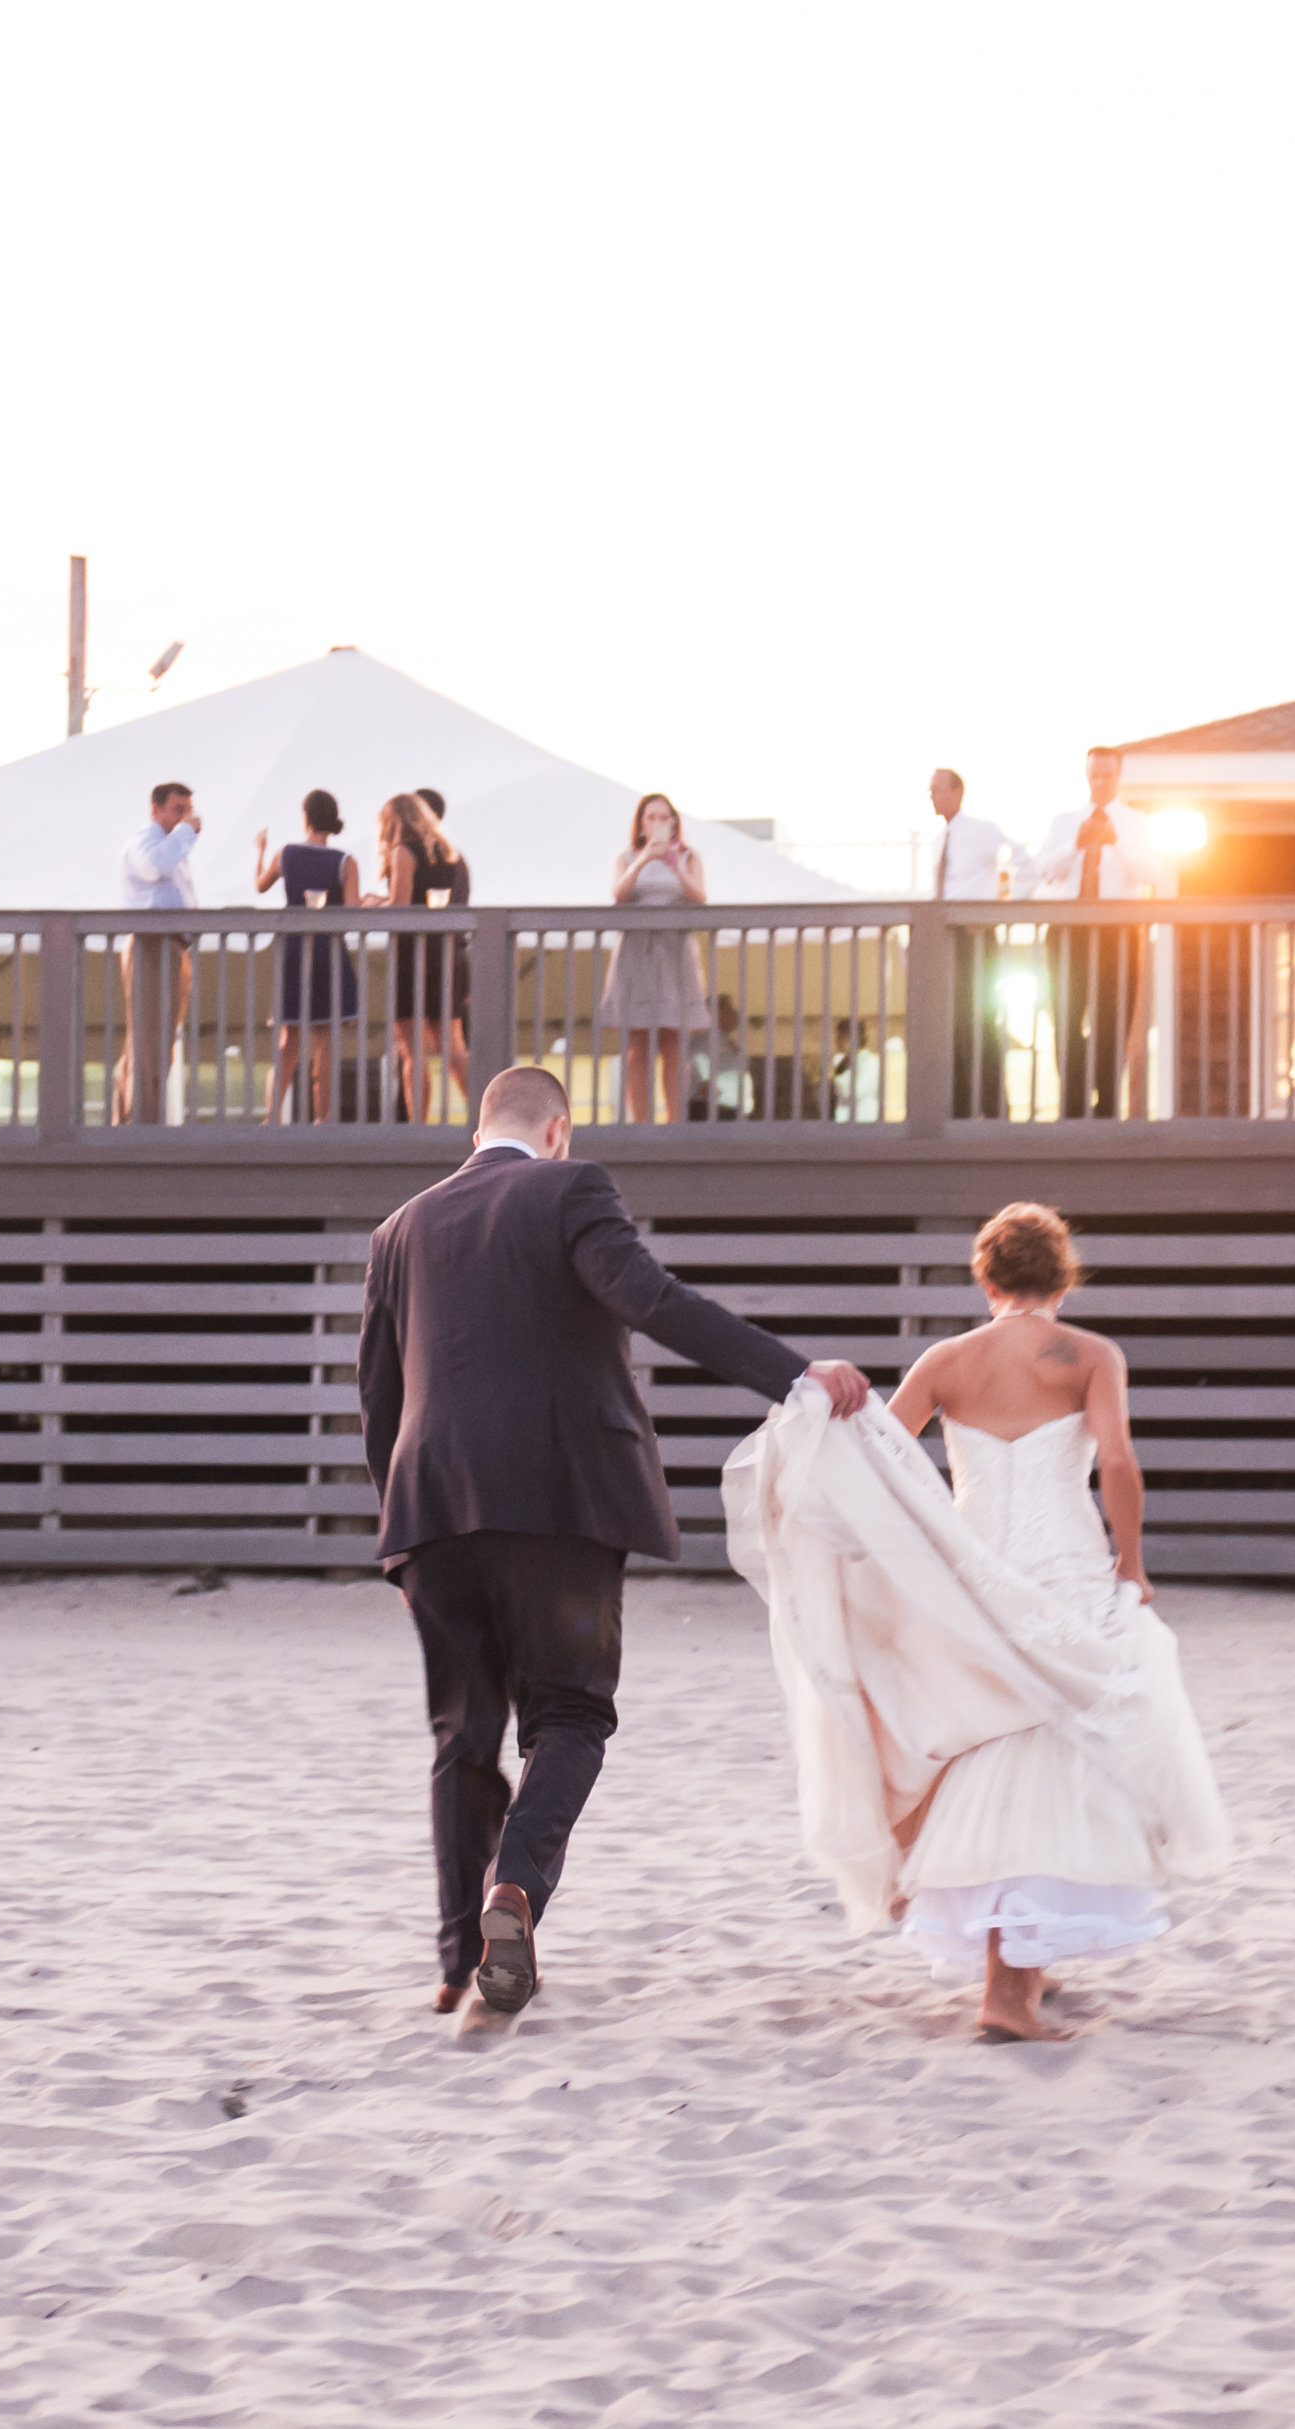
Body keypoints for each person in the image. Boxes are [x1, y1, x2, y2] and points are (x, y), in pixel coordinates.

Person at [359, 1063, 873, 2019]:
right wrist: (796, 1375)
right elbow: (653, 1300)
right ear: (559, 1129)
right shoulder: (571, 1187)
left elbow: (379, 1398)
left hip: (430, 1513)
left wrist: (398, 1541)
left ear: (480, 1130)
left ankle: (452, 1958)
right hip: (562, 1500)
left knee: (462, 1735)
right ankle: (512, 1892)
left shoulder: (399, 1229)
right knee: (571, 1715)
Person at [724, 1202, 1229, 2043]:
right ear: (1063, 1277)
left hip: (971, 1580)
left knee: (987, 1741)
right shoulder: (1090, 1356)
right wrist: (1131, 1562)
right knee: (1053, 1749)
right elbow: (1117, 1462)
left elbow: (880, 1460)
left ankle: (1025, 1955)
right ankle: (1008, 1988)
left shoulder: (947, 1359)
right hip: (1064, 1569)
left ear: (985, 1277)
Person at [1029, 747, 1141, 1119]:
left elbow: (1152, 873)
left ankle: (1106, 1107)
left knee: (1113, 1020)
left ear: (1118, 776)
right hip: (1068, 932)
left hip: (1117, 934)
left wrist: (1116, 842)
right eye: (1094, 775)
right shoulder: (1064, 822)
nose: (1099, 782)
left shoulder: (1136, 823)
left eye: (1107, 775)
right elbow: (1043, 870)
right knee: (1065, 1017)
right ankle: (1073, 1106)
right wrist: (1074, 846)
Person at [252, 790, 363, 1123]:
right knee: (326, 1042)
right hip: (330, 949)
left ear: (306, 818)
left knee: (289, 1041)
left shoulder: (286, 853)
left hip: (295, 949)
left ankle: (272, 1115)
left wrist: (258, 851)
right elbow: (355, 910)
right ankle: (323, 1117)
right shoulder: (346, 861)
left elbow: (260, 885)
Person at [600, 794, 712, 1124]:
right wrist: (645, 858)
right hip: (637, 954)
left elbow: (700, 897)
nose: (659, 823)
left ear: (675, 823)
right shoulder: (627, 857)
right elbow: (619, 894)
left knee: (674, 1040)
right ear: (641, 823)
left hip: (675, 954)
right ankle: (641, 1122)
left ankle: (675, 1122)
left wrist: (675, 866)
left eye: (665, 818)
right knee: (638, 1041)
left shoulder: (690, 858)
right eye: (652, 817)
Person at [369, 794, 472, 1124]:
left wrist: (372, 905)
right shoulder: (451, 854)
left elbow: (400, 908)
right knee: (453, 1045)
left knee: (411, 1046)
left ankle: (417, 1123)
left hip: (412, 955)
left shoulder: (403, 852)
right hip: (446, 953)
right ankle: (483, 1117)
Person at [928, 766, 1018, 1118]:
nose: (931, 796)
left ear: (956, 792)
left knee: (981, 1020)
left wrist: (996, 911)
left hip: (976, 938)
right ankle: (961, 1108)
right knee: (952, 1022)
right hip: (947, 939)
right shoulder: (940, 839)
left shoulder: (983, 831)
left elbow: (1021, 862)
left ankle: (995, 1108)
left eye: (936, 789)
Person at [113, 781, 202, 1126]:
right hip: (152, 944)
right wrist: (185, 832)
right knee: (148, 1045)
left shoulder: (171, 846)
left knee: (159, 1043)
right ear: (156, 810)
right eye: (178, 810)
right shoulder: (145, 841)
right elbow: (155, 865)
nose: (186, 818)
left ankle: (138, 1121)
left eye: (188, 811)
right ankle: (137, 1125)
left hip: (172, 946)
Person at [685, 992, 755, 1122]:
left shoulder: (724, 1041)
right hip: (715, 1113)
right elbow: (702, 1071)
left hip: (731, 1113)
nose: (735, 1013)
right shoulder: (704, 1040)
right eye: (729, 1009)